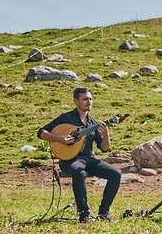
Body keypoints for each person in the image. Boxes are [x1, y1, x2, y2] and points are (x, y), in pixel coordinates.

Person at [38, 87, 121, 222]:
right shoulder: (66, 118)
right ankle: (84, 214)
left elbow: (104, 148)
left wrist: (106, 136)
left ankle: (103, 213)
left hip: (88, 159)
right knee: (79, 172)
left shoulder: (94, 123)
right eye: (85, 99)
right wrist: (59, 138)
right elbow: (41, 132)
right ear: (76, 101)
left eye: (90, 99)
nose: (89, 102)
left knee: (115, 174)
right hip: (69, 160)